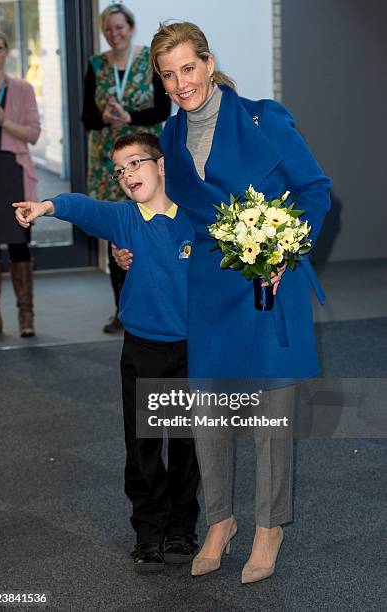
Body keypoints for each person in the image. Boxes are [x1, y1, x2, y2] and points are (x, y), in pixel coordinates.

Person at [114, 21, 332, 582]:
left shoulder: (265, 117)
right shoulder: (168, 136)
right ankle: (220, 521)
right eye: (169, 74)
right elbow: (164, 210)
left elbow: (314, 188)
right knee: (208, 408)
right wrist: (131, 248)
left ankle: (269, 526)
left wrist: (287, 246)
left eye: (188, 68)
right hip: (208, 284)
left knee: (270, 412)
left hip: (268, 279)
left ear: (208, 64)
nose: (181, 82)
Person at [13, 132, 200, 573]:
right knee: (144, 446)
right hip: (144, 350)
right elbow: (83, 206)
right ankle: (148, 534)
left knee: (189, 445)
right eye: (119, 170)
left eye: (135, 163)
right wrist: (44, 207)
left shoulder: (196, 217)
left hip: (195, 352)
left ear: (162, 164)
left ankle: (182, 529)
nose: (127, 175)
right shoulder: (125, 221)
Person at [81, 3, 171, 334]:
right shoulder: (96, 65)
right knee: (117, 234)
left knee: (152, 230)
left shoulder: (149, 60)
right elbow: (86, 118)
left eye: (119, 27)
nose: (114, 33)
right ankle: (121, 310)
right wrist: (105, 118)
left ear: (131, 28)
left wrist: (129, 118)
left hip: (144, 159)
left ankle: (157, 304)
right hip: (109, 165)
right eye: (108, 29)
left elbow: (163, 108)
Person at [0, 29, 40, 339]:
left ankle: (26, 315)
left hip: (14, 174)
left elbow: (33, 134)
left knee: (19, 245)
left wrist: (3, 121)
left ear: (6, 51)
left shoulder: (22, 89)